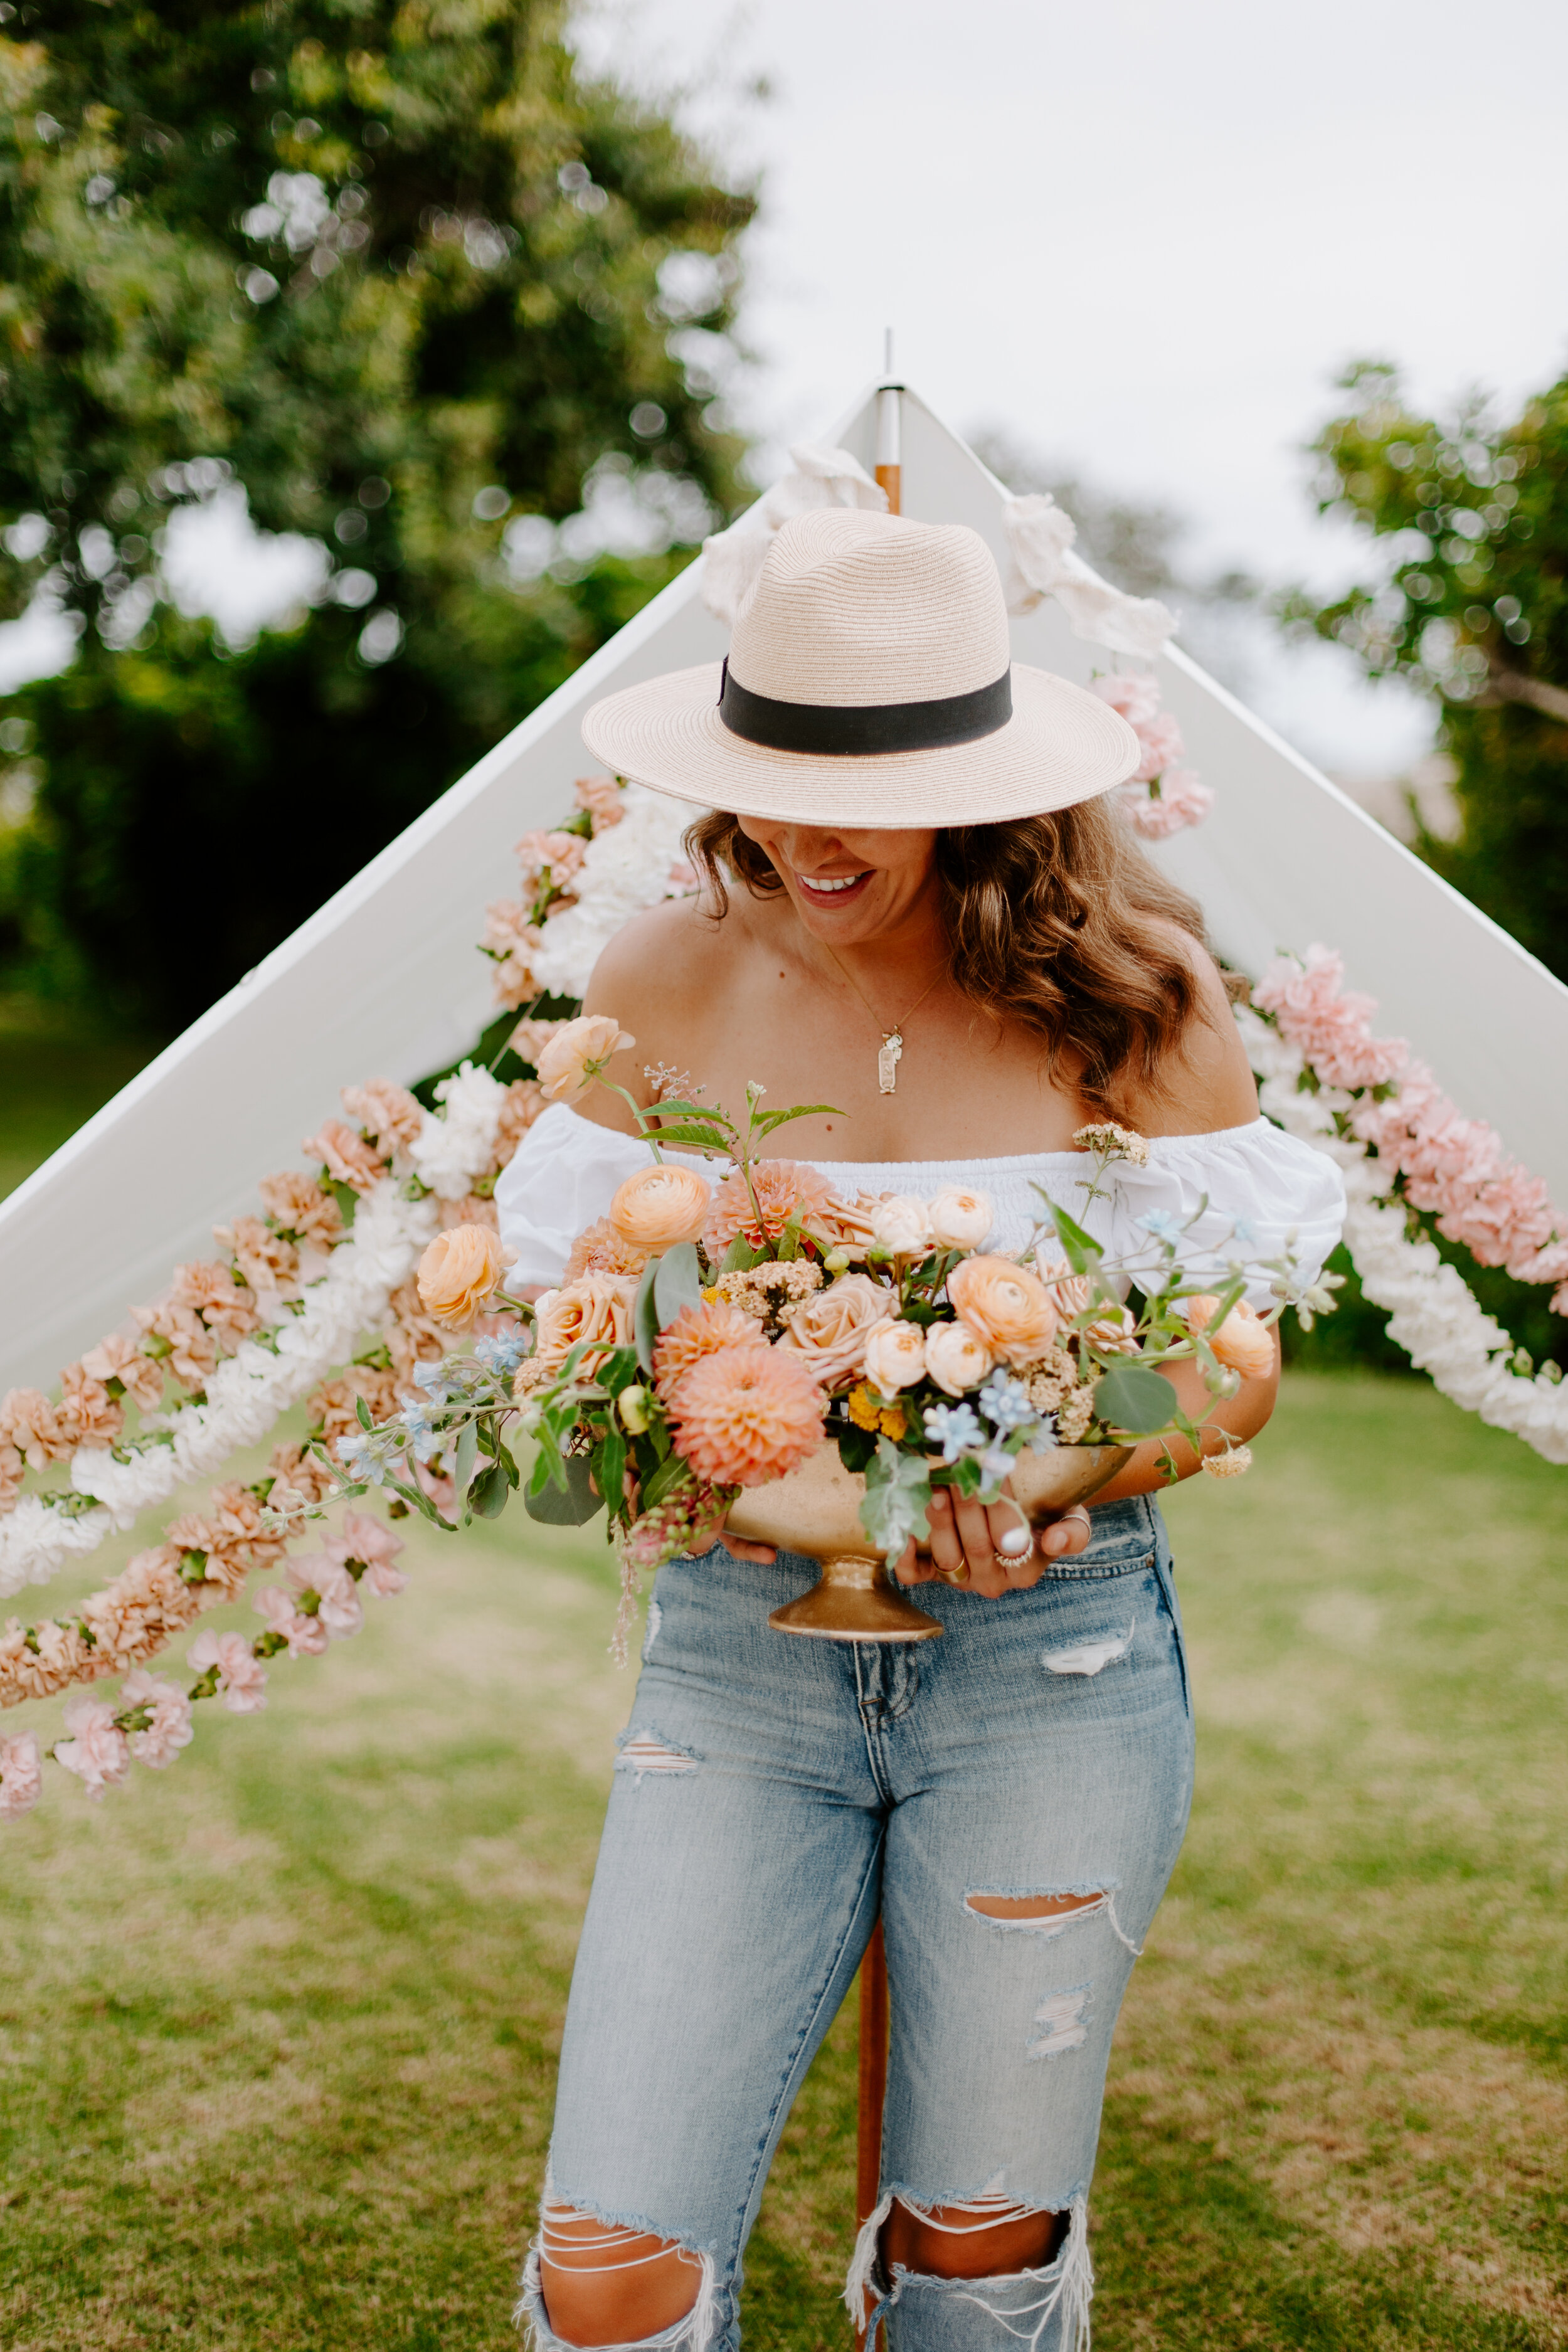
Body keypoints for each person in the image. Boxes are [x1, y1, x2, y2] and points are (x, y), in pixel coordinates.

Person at [495, 507, 1345, 2350]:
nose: (812, 831)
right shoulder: (657, 981)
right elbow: (574, 1336)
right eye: (773, 771)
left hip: (1055, 1661)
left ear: (987, 783)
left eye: (865, 784)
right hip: (731, 1673)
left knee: (978, 2252)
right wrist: (745, 1468)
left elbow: (1224, 1365)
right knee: (607, 2269)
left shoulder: (1139, 1004)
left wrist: (1033, 1479)